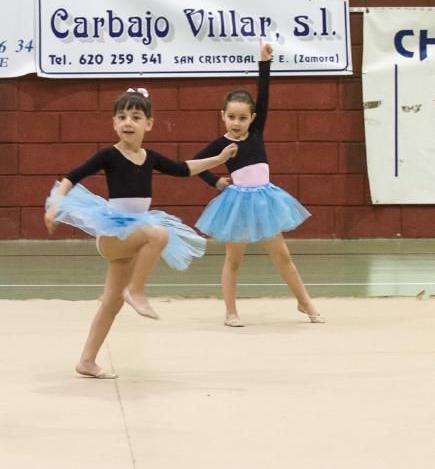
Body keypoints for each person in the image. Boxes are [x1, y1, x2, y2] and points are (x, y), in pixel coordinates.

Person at [44, 88, 237, 378]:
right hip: (113, 234)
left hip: (134, 235)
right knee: (158, 235)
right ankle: (136, 291)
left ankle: (87, 361)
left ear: (149, 124)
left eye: (135, 117)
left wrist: (217, 158)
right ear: (113, 123)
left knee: (111, 303)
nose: (127, 123)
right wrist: (55, 205)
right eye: (121, 117)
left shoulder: (150, 157)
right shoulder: (109, 154)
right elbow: (73, 176)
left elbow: (184, 168)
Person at [193, 42, 324, 327]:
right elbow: (196, 163)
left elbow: (264, 95)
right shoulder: (221, 143)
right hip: (237, 204)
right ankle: (230, 311)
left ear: (252, 118)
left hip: (265, 201)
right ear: (222, 116)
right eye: (231, 117)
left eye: (242, 118)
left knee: (283, 257)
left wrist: (264, 63)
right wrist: (215, 181)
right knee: (234, 260)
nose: (236, 123)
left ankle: (305, 303)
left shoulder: (256, 132)